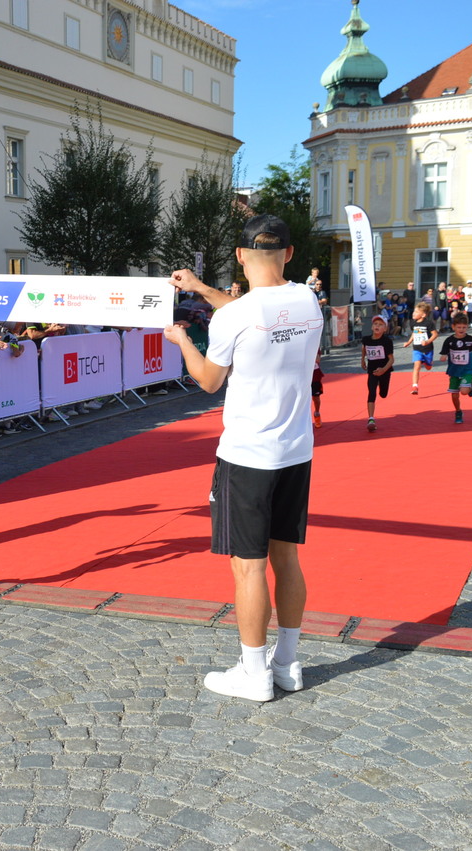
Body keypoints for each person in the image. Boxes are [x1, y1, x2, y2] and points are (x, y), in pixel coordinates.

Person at [163, 214, 317, 702]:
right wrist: (201, 288)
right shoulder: (307, 299)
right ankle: (286, 664)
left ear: (240, 255)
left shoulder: (234, 316)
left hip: (248, 455)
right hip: (296, 449)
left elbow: (209, 381)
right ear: (289, 254)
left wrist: (183, 341)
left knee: (248, 567)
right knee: (286, 558)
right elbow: (254, 310)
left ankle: (254, 673)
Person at [439, 312, 472, 425]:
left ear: (467, 327)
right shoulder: (449, 341)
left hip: (468, 369)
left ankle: (469, 385)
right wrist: (443, 356)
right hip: (454, 370)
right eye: (459, 327)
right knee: (454, 394)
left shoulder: (471, 340)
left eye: (464, 327)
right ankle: (458, 411)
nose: (461, 329)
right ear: (453, 327)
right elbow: (444, 353)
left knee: (464, 392)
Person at [360, 315, 395, 432]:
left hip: (385, 371)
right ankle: (371, 419)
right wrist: (362, 359)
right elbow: (364, 348)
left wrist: (383, 370)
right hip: (372, 371)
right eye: (375, 324)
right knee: (371, 392)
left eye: (380, 325)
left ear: (385, 329)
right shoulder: (366, 339)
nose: (377, 326)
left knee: (383, 394)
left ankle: (381, 384)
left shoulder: (387, 341)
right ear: (371, 327)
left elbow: (391, 359)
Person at [401, 302, 438, 395]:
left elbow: (435, 334)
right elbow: (414, 333)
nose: (414, 313)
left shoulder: (428, 323)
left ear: (423, 315)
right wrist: (408, 342)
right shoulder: (412, 322)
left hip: (427, 349)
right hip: (417, 349)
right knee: (416, 366)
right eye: (414, 311)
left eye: (417, 312)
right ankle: (415, 386)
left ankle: (426, 362)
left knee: (428, 367)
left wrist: (427, 341)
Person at [311, 353, 324, 429]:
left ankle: (317, 413)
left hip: (315, 375)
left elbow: (318, 359)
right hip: (302, 375)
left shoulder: (314, 346)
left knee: (316, 398)